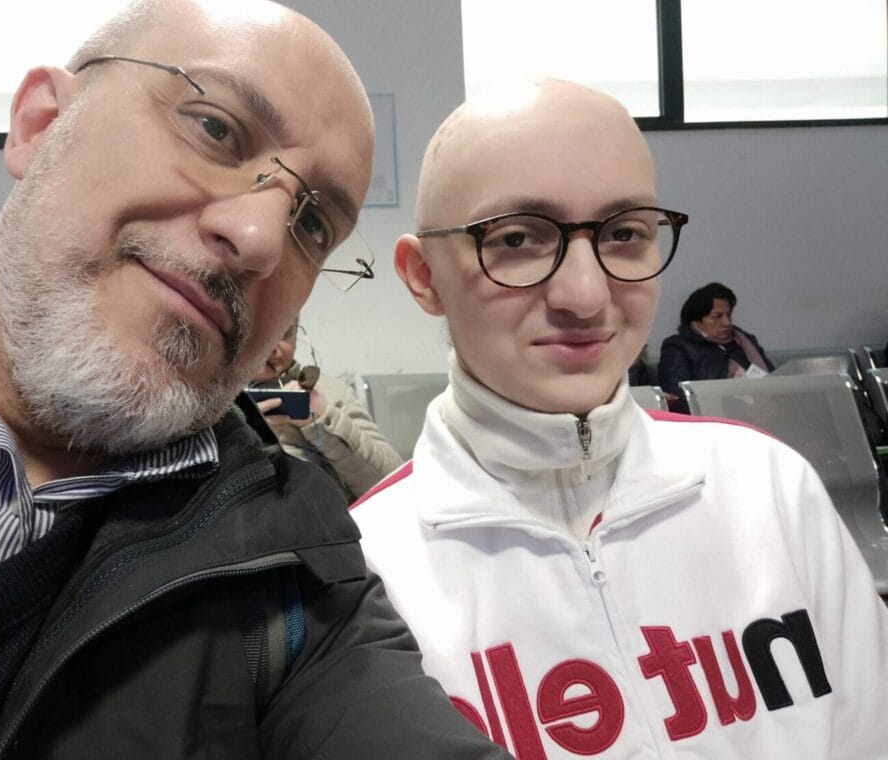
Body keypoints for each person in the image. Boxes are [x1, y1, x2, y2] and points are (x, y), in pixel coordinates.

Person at [0, 2, 510, 758]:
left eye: (311, 225)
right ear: (42, 124)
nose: (260, 239)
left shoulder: (295, 587)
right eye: (215, 129)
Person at [351, 79, 888, 758]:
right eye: (516, 238)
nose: (584, 295)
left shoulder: (768, 488)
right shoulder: (368, 573)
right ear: (424, 275)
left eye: (625, 233)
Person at [250, 318, 403, 501]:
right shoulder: (218, 404)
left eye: (283, 333)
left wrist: (325, 420)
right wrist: (248, 438)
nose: (271, 347)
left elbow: (396, 485)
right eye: (257, 330)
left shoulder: (332, 391)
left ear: (296, 335)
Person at [658, 281, 775, 412]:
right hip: (715, 417)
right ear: (695, 321)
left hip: (768, 412)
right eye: (716, 316)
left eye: (728, 315)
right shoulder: (678, 347)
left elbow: (776, 380)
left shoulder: (744, 341)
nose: (726, 322)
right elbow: (677, 399)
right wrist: (742, 409)